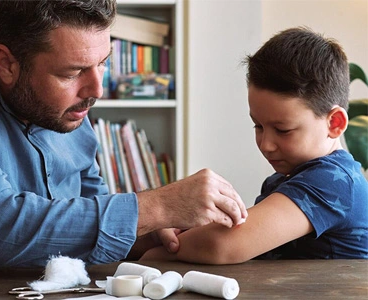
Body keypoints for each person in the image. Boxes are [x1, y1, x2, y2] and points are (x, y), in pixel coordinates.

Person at [0, 0, 247, 267]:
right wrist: (158, 207)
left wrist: (150, 230)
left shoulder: (68, 103)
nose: (96, 90)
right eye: (71, 73)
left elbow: (89, 205)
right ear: (7, 64)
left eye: (103, 63)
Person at [140, 27, 368, 264]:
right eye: (257, 126)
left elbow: (223, 246)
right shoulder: (292, 178)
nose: (266, 144)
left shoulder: (334, 182)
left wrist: (151, 257)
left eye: (283, 130)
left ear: (335, 122)